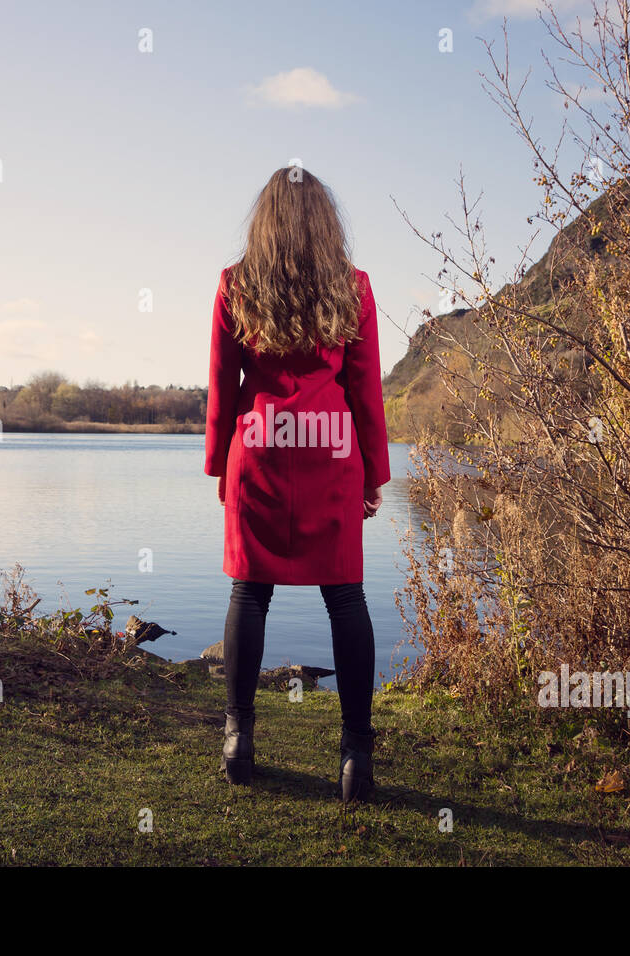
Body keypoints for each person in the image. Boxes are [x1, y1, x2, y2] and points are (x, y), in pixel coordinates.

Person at [204, 166, 390, 802]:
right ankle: (356, 759)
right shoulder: (353, 286)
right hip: (332, 454)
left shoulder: (236, 285)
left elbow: (223, 385)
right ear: (325, 221)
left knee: (249, 593)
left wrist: (216, 465)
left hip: (257, 452)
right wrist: (374, 472)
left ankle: (238, 739)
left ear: (265, 221)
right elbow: (365, 391)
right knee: (345, 598)